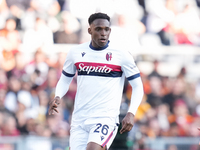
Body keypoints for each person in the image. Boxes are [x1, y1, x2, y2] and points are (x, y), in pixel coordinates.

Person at [48, 12, 144, 150]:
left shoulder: (121, 54)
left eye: (106, 29)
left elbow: (138, 86)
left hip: (105, 118)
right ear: (90, 30)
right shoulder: (75, 52)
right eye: (98, 29)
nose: (103, 33)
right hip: (79, 119)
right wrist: (57, 96)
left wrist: (131, 112)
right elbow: (64, 79)